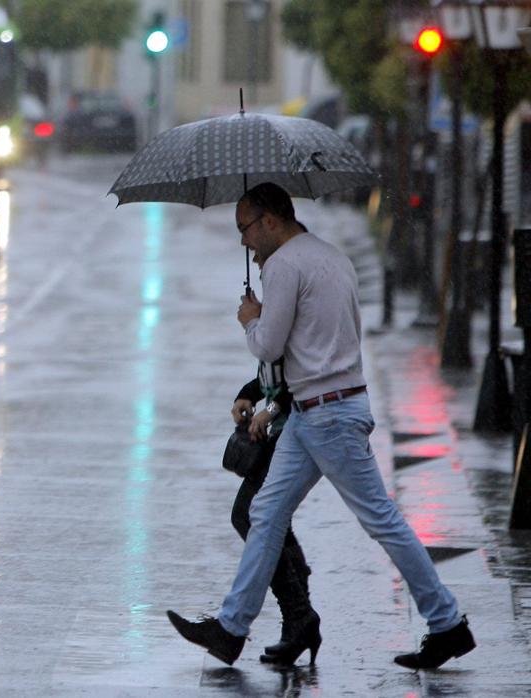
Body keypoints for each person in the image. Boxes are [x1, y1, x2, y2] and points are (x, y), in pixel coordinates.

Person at [167, 182, 474, 669]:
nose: (243, 241)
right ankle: (230, 629)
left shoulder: (286, 264)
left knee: (382, 522)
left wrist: (251, 318)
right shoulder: (328, 255)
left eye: (244, 228)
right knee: (266, 515)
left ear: (270, 220)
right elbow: (313, 337)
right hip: (317, 412)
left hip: (327, 414)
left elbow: (268, 345)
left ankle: (448, 623)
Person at [229, 361, 318, 665]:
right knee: (272, 519)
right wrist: (250, 392)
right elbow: (277, 373)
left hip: (297, 425)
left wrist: (272, 409)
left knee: (249, 514)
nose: (241, 310)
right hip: (289, 426)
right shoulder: (269, 316)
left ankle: (299, 615)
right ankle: (299, 622)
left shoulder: (279, 313)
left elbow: (300, 370)